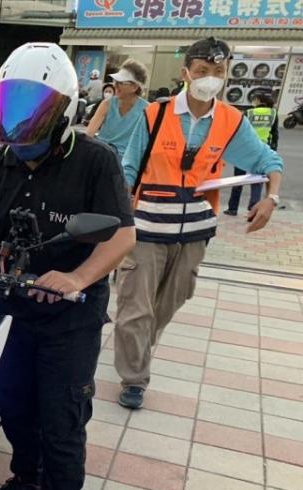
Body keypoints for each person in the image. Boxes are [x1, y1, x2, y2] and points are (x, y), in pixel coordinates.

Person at [0, 42, 136, 490]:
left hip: (70, 316)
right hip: (9, 308)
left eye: (34, 110)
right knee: (13, 402)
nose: (19, 125)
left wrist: (77, 277)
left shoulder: (95, 161)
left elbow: (121, 237)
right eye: (11, 107)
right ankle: (26, 478)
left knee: (61, 413)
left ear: (64, 110)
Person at [116, 37, 284, 410]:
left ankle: (137, 350)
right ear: (186, 73)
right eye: (203, 71)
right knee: (135, 307)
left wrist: (271, 198)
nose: (210, 79)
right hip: (146, 227)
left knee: (168, 304)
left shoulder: (230, 121)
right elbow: (129, 169)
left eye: (218, 73)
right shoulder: (155, 115)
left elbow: (268, 161)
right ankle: (134, 378)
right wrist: (117, 216)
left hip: (194, 232)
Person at [224, 93, 279, 216]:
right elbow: (275, 135)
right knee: (257, 182)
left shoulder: (249, 113)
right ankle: (253, 209)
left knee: (238, 180)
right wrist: (273, 151)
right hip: (262, 150)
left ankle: (233, 208)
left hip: (243, 149)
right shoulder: (273, 114)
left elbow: (238, 130)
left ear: (259, 100)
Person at [86, 60, 149, 160]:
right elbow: (89, 135)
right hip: (102, 155)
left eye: (120, 82)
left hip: (128, 161)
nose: (115, 85)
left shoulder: (147, 110)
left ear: (135, 87)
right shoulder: (107, 104)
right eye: (115, 81)